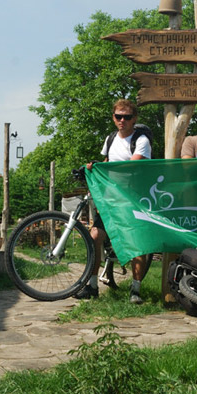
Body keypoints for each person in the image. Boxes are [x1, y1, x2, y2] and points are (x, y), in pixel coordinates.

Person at [78, 99, 151, 304]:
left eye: (127, 117)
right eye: (118, 116)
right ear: (113, 117)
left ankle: (135, 290)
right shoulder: (110, 139)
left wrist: (105, 169)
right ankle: (92, 285)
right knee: (94, 237)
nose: (122, 120)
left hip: (133, 201)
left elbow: (131, 166)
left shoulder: (141, 140)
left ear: (134, 119)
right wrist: (95, 168)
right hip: (112, 200)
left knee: (138, 245)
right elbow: (108, 163)